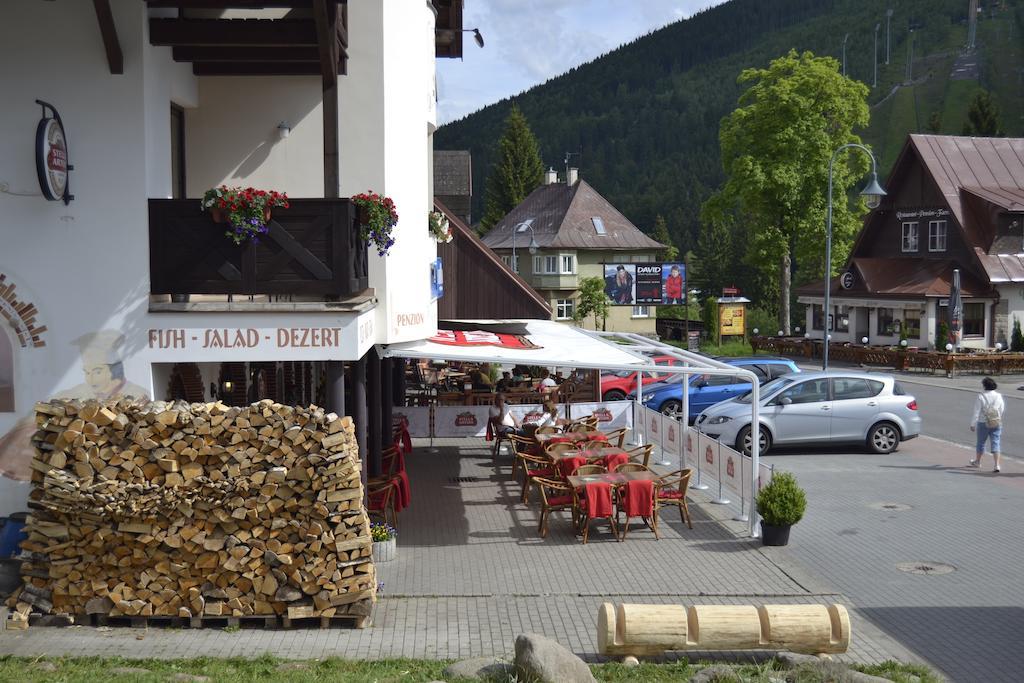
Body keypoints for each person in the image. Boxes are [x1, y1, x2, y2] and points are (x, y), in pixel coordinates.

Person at [968, 377, 1004, 473]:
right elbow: (1001, 409)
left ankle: (978, 461)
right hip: (996, 422)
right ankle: (997, 464)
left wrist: (973, 424)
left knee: (981, 442)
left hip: (983, 422)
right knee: (996, 442)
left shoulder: (981, 396)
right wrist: (997, 417)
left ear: (984, 386)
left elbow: (976, 411)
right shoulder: (999, 396)